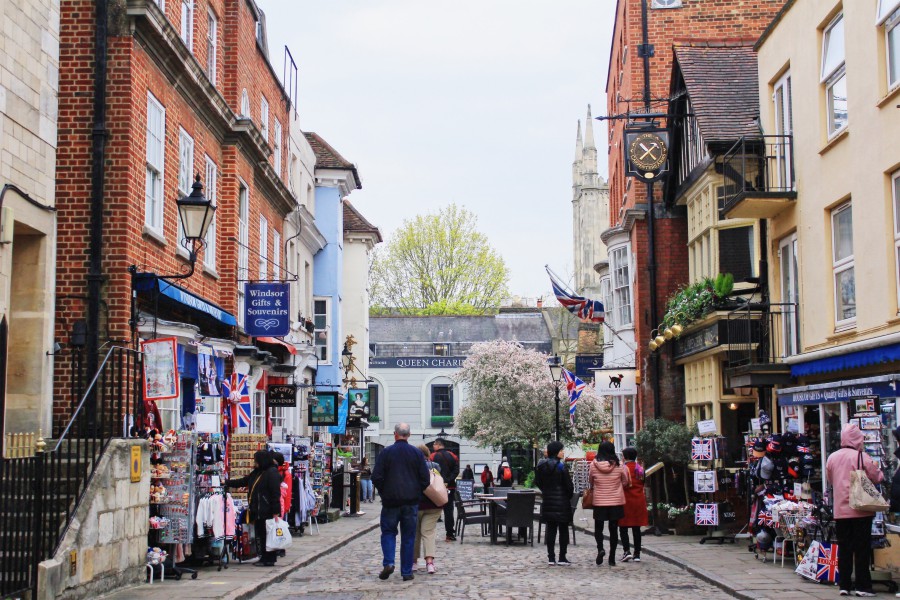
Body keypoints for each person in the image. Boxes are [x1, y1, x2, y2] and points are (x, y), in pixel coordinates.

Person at [825, 423, 884, 597]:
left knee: (844, 548)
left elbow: (831, 479)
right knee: (861, 549)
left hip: (840, 510)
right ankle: (862, 586)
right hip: (860, 509)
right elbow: (877, 476)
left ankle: (844, 584)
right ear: (858, 438)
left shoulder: (832, 458)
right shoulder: (861, 456)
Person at [372, 423, 430, 582]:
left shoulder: (386, 453)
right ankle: (406, 571)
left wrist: (385, 492)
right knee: (408, 536)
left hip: (391, 502)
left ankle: (389, 562)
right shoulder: (417, 454)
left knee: (389, 532)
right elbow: (425, 479)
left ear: (395, 434)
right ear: (409, 435)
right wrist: (416, 492)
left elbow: (376, 476)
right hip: (410, 502)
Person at [225, 450, 283, 566]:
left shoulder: (271, 473)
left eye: (256, 460)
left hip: (267, 510)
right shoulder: (257, 472)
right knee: (261, 535)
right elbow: (244, 481)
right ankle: (264, 557)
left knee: (267, 535)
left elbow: (275, 494)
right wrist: (227, 482)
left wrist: (276, 512)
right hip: (258, 509)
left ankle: (269, 559)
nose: (254, 462)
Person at [589, 441, 630, 567]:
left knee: (598, 528)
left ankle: (600, 548)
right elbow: (625, 481)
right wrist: (617, 487)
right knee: (613, 529)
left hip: (600, 501)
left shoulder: (593, 465)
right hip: (616, 501)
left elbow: (591, 481)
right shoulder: (619, 465)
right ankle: (612, 557)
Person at [534, 440, 574, 566]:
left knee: (551, 529)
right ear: (557, 452)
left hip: (548, 500)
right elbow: (568, 485)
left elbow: (538, 481)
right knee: (563, 529)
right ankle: (562, 557)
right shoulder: (561, 466)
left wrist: (546, 491)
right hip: (562, 501)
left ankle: (551, 557)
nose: (563, 452)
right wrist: (568, 494)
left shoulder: (541, 466)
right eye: (561, 450)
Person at [414, 444, 443, 575]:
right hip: (433, 504)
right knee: (428, 533)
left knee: (415, 534)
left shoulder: (412, 467)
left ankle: (413, 562)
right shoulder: (435, 466)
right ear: (428, 454)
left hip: (416, 504)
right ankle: (430, 563)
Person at [618, 447, 648, 563]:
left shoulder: (623, 469)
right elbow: (643, 482)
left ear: (624, 457)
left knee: (623, 528)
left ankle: (627, 551)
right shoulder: (640, 469)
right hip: (638, 500)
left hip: (625, 500)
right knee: (636, 529)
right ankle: (637, 554)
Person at [430, 438, 459, 542]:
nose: (433, 446)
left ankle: (429, 534)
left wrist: (440, 480)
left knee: (432, 510)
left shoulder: (432, 456)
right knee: (449, 511)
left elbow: (431, 470)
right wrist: (448, 479)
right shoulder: (453, 455)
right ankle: (450, 534)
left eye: (434, 444)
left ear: (438, 445)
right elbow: (456, 470)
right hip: (450, 486)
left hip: (436, 488)